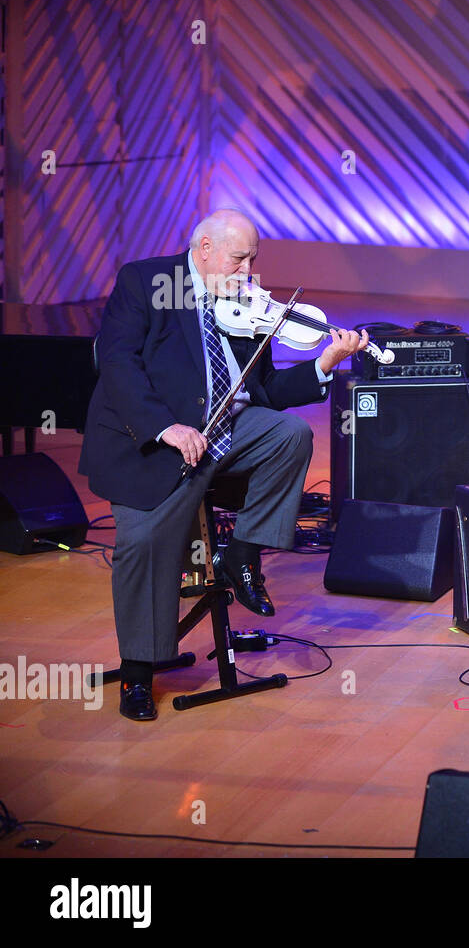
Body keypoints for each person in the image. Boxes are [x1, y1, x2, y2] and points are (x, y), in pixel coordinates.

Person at [79, 208, 368, 721]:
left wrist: (323, 364)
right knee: (145, 543)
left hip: (225, 434)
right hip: (155, 441)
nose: (249, 270)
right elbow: (118, 362)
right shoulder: (147, 281)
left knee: (289, 434)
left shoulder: (244, 302)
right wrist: (166, 428)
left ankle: (242, 553)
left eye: (254, 257)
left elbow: (267, 393)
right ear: (205, 249)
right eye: (239, 258)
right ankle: (139, 673)